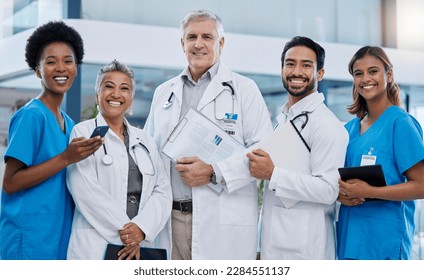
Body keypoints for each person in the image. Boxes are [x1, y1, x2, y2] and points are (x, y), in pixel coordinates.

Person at [144, 9, 273, 260]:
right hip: (171, 219)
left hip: (222, 221)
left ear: (221, 43)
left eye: (207, 37)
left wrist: (214, 172)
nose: (198, 44)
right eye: (191, 37)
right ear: (182, 43)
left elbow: (262, 150)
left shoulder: (244, 89)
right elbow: (150, 152)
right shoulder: (163, 93)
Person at [0, 21, 103, 260]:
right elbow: (10, 183)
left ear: (76, 67)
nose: (61, 68)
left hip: (56, 238)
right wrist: (66, 158)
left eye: (68, 61)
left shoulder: (67, 122)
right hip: (27, 240)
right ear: (38, 70)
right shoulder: (31, 116)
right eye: (50, 61)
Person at [246, 36, 348, 259]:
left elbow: (328, 190)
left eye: (306, 65)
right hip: (274, 244)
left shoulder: (327, 126)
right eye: (290, 63)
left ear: (320, 73)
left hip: (307, 248)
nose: (296, 71)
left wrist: (273, 174)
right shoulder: (284, 120)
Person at [66, 60, 172, 260]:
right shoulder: (82, 132)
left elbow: (163, 191)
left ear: (131, 99)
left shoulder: (146, 141)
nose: (116, 94)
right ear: (97, 95)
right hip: (97, 245)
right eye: (108, 86)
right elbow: (85, 190)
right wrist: (128, 235)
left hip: (140, 245)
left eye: (124, 88)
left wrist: (142, 228)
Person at [336, 46, 424, 260]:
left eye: (373, 71)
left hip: (385, 242)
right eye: (359, 73)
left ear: (389, 74)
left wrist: (370, 191)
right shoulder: (348, 129)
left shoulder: (400, 123)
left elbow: (421, 186)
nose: (366, 78)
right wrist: (339, 193)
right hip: (349, 239)